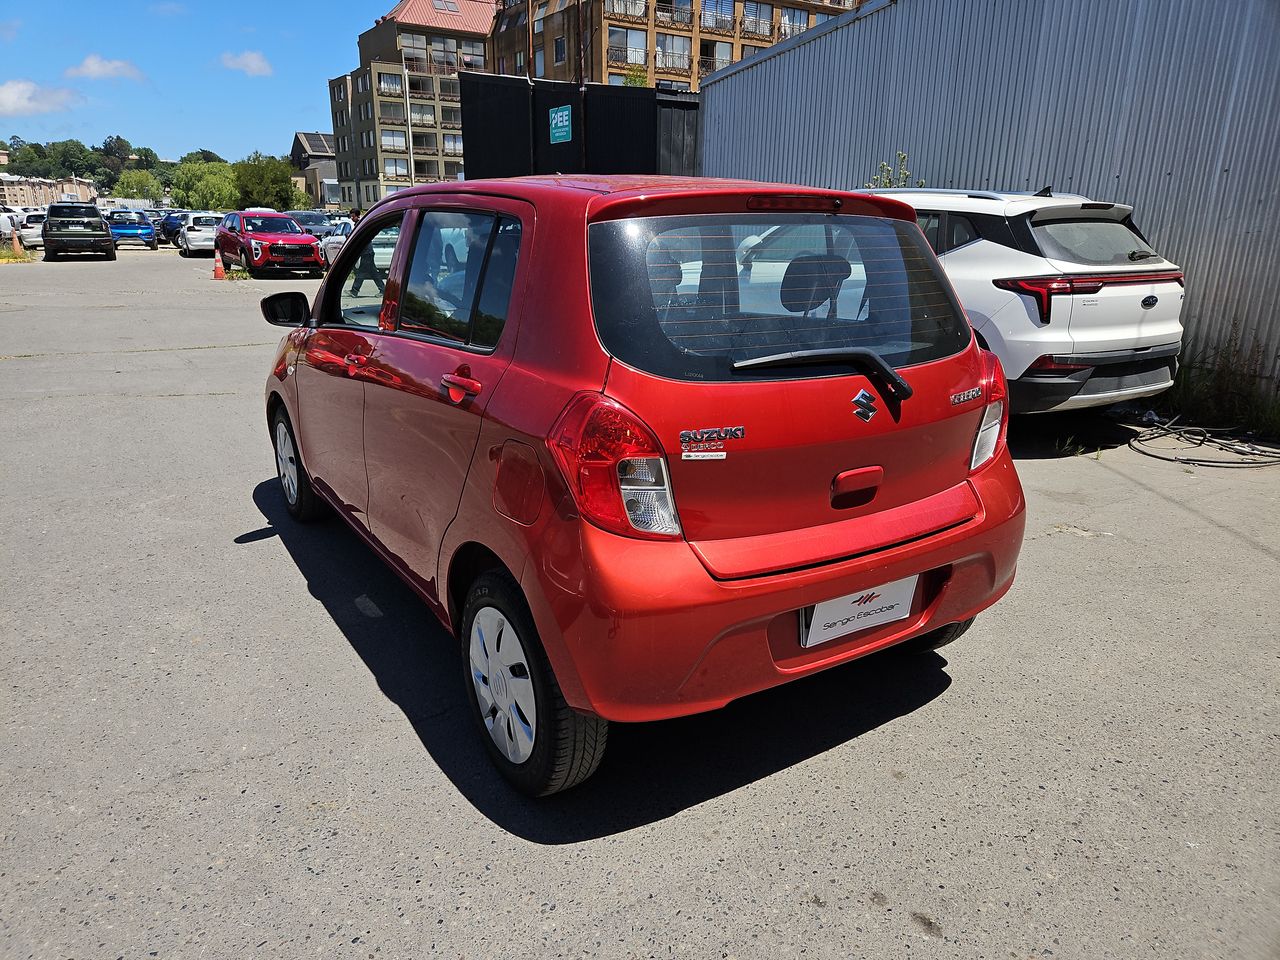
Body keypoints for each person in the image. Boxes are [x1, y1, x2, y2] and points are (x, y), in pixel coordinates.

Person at [348, 210, 385, 297]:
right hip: (366, 252)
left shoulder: (360, 225)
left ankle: (354, 290)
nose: (352, 218)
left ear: (358, 216)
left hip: (367, 252)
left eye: (353, 216)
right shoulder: (359, 224)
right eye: (351, 216)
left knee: (361, 272)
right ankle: (383, 290)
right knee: (373, 273)